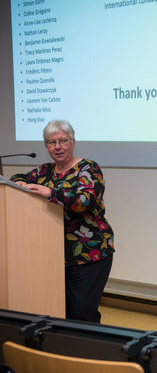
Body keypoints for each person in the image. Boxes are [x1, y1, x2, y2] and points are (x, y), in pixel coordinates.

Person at [10, 120, 114, 323]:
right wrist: (19, 182)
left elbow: (86, 200)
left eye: (62, 141)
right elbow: (18, 176)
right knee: (58, 310)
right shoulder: (44, 171)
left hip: (88, 254)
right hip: (52, 255)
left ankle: (87, 352)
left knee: (81, 314)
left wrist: (51, 193)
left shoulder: (88, 169)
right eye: (51, 142)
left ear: (73, 142)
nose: (57, 147)